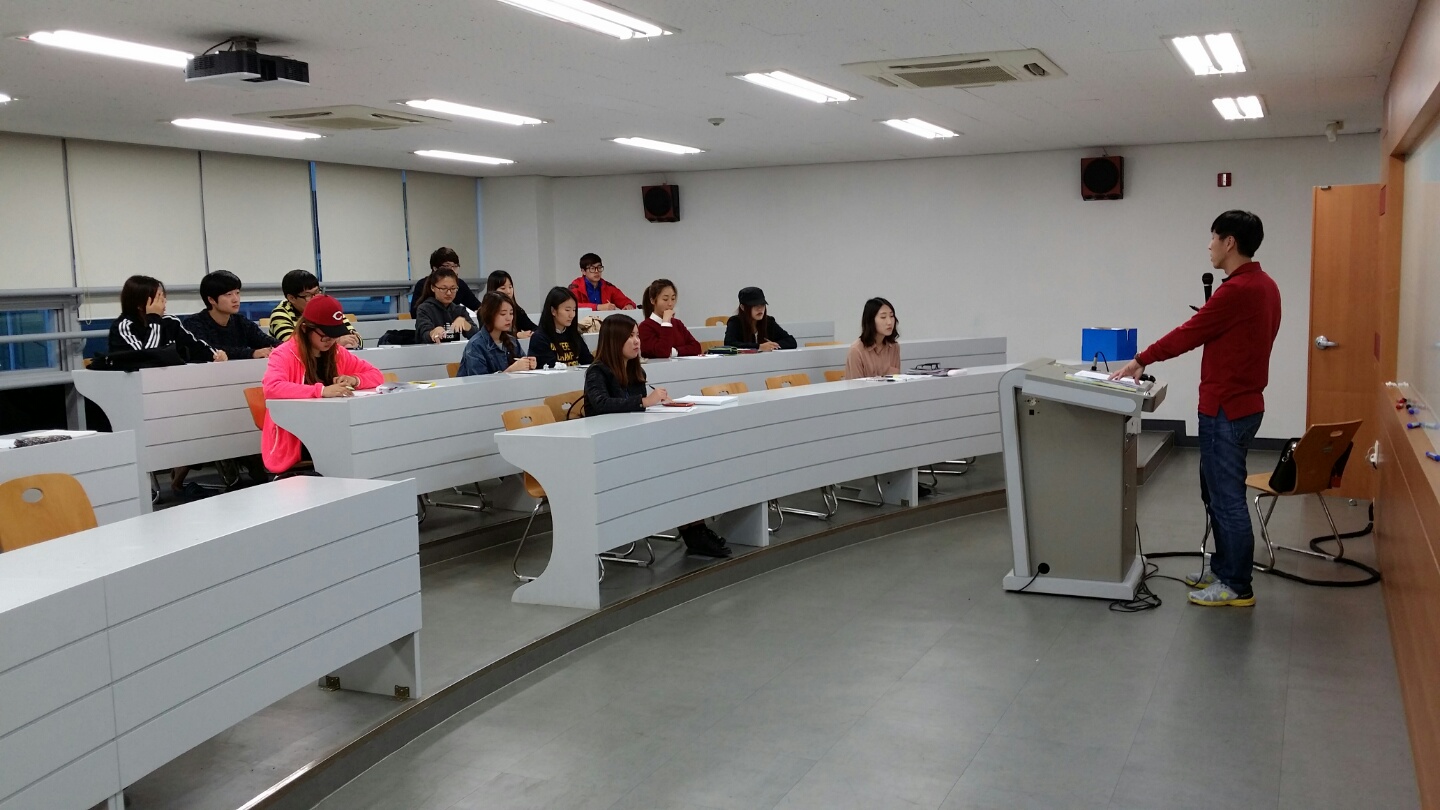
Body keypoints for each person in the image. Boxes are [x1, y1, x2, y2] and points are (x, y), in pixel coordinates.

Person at [1109, 210, 1280, 608]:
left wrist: (1140, 360)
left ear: (1229, 242)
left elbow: (1190, 333)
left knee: (1227, 498)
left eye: (1213, 238)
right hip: (1242, 404)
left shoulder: (1238, 290)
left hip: (1227, 408)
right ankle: (1223, 569)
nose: (1209, 246)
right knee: (1216, 492)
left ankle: (1237, 585)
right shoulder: (1265, 285)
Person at [585, 314, 730, 558]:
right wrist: (644, 401)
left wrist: (658, 404)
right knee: (672, 468)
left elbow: (637, 411)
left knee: (685, 463)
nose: (636, 341)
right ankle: (693, 531)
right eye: (630, 336)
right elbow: (601, 404)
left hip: (633, 443)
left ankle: (695, 529)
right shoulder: (597, 371)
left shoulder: (635, 369)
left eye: (637, 335)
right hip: (607, 451)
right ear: (614, 340)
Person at [260, 295, 383, 474]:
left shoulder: (337, 352)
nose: (330, 341)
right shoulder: (283, 354)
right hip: (297, 437)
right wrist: (322, 391)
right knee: (352, 450)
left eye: (334, 336)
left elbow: (376, 375)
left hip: (334, 428)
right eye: (325, 336)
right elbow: (272, 388)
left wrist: (354, 379)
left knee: (368, 444)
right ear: (305, 328)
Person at [109, 275, 225, 361]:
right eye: (158, 298)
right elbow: (147, 359)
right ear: (139, 304)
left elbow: (197, 347)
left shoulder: (170, 321)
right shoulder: (123, 327)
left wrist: (216, 355)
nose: (164, 302)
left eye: (163, 296)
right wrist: (153, 318)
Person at [183, 270, 278, 360]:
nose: (235, 299)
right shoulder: (193, 323)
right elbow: (208, 350)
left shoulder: (241, 322)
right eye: (229, 294)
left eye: (237, 293)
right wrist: (252, 353)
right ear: (211, 300)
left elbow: (265, 340)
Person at [270, 269, 362, 350]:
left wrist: (352, 341)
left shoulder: (327, 307)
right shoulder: (280, 314)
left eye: (317, 292)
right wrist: (336, 342)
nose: (315, 298)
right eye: (308, 295)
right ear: (292, 298)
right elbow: (292, 346)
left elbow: (356, 337)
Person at [458, 292, 537, 376]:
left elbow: (521, 367)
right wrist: (510, 371)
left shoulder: (512, 341)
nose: (509, 318)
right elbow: (479, 381)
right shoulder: (475, 346)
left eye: (511, 313)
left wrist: (528, 364)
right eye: (503, 314)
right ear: (490, 315)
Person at [530, 286, 594, 368]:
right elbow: (549, 367)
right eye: (567, 310)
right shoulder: (540, 338)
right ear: (553, 311)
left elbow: (588, 361)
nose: (572, 315)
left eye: (574, 310)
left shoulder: (574, 335)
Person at [637, 278, 702, 358]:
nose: (670, 303)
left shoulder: (677, 323)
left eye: (673, 299)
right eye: (665, 299)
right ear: (653, 301)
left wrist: (674, 351)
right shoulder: (645, 327)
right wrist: (666, 323)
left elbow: (696, 347)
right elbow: (662, 352)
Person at [409, 247, 481, 317]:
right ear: (435, 268)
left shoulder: (460, 285)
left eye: (455, 266)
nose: (452, 270)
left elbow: (477, 306)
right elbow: (415, 313)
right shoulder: (422, 285)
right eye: (447, 266)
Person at [414, 267, 478, 344]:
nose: (449, 293)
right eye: (443, 289)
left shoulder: (459, 310)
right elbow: (423, 334)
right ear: (433, 288)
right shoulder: (424, 309)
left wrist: (466, 325)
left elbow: (477, 336)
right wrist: (432, 333)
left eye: (453, 288)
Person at [723, 287, 797, 351]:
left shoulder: (769, 321)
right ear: (743, 307)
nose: (760, 309)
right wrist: (759, 347)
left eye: (762, 305)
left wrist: (772, 346)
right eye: (755, 305)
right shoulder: (735, 322)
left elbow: (791, 341)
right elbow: (729, 344)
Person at [844, 297, 901, 378]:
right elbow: (856, 385)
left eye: (891, 316)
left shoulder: (894, 347)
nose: (889, 322)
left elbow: (897, 381)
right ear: (871, 321)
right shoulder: (856, 351)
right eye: (883, 317)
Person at [568, 253, 635, 311]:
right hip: (582, 321)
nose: (597, 271)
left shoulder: (607, 286)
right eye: (592, 268)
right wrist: (598, 307)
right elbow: (570, 305)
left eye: (599, 268)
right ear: (583, 271)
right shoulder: (576, 286)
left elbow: (624, 300)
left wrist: (628, 305)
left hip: (604, 321)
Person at [486, 270, 536, 337]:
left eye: (510, 287)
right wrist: (517, 335)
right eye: (503, 288)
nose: (508, 291)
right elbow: (491, 333)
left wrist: (531, 333)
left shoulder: (517, 310)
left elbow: (533, 327)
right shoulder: (485, 312)